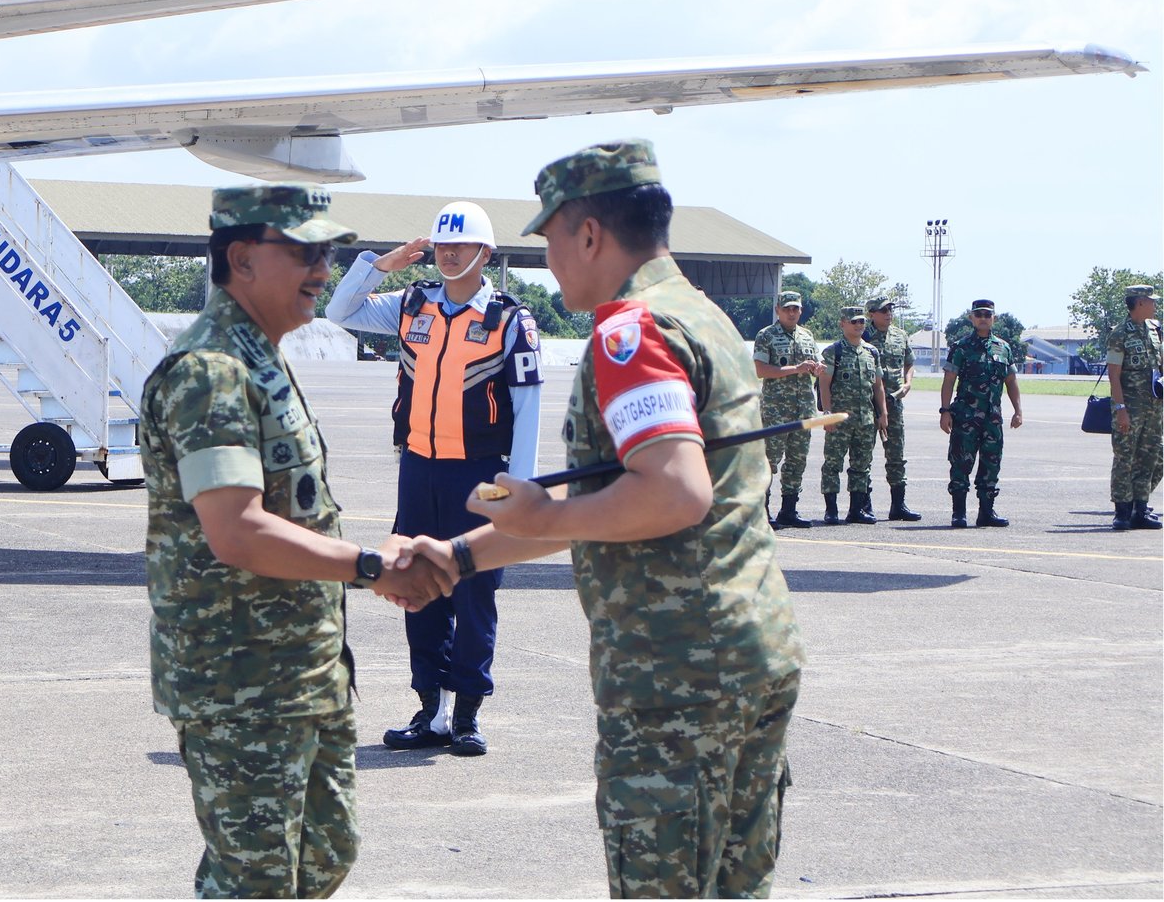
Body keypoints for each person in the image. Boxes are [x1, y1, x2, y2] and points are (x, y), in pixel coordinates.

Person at [401, 139, 804, 897]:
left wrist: (544, 514)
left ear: (589, 235)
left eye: (551, 241)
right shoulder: (704, 316)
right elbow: (618, 505)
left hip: (676, 669)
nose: (550, 262)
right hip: (749, 650)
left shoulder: (633, 331)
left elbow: (672, 493)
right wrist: (458, 560)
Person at [139, 182, 451, 899]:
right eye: (305, 251)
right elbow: (237, 530)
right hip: (240, 680)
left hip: (302, 668)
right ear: (242, 259)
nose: (322, 268)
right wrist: (372, 566)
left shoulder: (261, 356)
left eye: (328, 252)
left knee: (324, 854)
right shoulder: (211, 371)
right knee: (255, 881)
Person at [325, 200, 543, 757]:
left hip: (480, 476)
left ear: (484, 254)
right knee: (413, 584)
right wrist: (381, 264)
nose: (448, 254)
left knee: (474, 592)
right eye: (442, 245)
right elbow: (339, 310)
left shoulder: (510, 320)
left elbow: (528, 409)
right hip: (418, 469)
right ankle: (431, 709)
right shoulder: (411, 303)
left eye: (461, 246)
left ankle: (467, 712)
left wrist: (517, 492)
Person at [939, 298, 1023, 529]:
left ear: (994, 318)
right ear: (972, 318)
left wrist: (1018, 410)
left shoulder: (1003, 348)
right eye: (979, 314)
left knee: (991, 464)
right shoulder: (961, 347)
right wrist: (945, 411)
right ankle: (959, 513)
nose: (983, 318)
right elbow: (949, 381)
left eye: (987, 314)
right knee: (960, 464)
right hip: (965, 416)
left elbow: (1011, 381)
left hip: (992, 418)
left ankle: (986, 512)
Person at [752, 291, 823, 528]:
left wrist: (816, 369)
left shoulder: (807, 336)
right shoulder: (767, 335)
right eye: (787, 309)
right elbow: (761, 370)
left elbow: (812, 366)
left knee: (797, 460)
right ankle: (761, 512)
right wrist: (796, 368)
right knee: (769, 461)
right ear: (778, 310)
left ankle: (789, 510)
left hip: (803, 408)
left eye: (796, 309)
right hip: (776, 411)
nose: (792, 313)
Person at [817, 307, 886, 525]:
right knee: (832, 464)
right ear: (843, 324)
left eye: (861, 321)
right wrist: (827, 414)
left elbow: (878, 386)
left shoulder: (872, 352)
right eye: (854, 321)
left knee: (861, 465)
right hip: (839, 419)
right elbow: (824, 384)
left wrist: (882, 413)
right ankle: (831, 510)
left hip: (865, 420)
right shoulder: (833, 352)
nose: (859, 325)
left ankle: (856, 509)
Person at [1106, 284, 1162, 530]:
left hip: (1154, 406)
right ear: (1140, 302)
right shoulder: (1119, 334)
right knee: (1125, 457)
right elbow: (1114, 375)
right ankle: (1122, 512)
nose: (1155, 305)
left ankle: (1141, 509)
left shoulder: (1154, 329)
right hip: (1130, 407)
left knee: (1150, 457)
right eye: (1152, 301)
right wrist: (1121, 408)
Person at [864, 295, 921, 520]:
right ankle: (863, 504)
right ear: (872, 314)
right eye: (883, 310)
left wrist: (908, 383)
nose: (888, 313)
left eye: (890, 309)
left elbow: (910, 362)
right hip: (867, 403)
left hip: (894, 403)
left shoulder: (900, 335)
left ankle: (898, 505)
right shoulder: (863, 335)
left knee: (896, 454)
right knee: (863, 455)